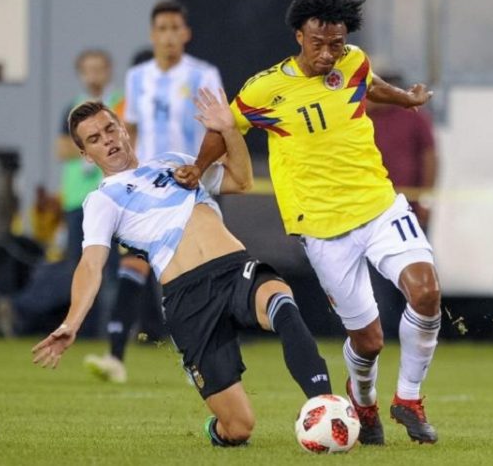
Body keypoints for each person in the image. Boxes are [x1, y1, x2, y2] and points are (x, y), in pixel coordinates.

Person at [178, 0, 440, 445]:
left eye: (336, 43)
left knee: (425, 291)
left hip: (378, 205)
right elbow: (225, 127)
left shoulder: (352, 61)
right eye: (318, 43)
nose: (328, 53)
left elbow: (370, 83)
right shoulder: (266, 89)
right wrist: (198, 168)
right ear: (299, 36)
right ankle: (363, 403)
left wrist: (406, 99)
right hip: (321, 229)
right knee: (370, 341)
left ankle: (409, 399)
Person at [32, 91, 334, 447]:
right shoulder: (103, 200)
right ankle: (216, 429)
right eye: (95, 139)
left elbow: (241, 181)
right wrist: (71, 322)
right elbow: (90, 264)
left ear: (124, 130)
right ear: (85, 154)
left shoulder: (172, 162)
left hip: (234, 269)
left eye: (110, 129)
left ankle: (325, 404)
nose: (107, 140)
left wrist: (229, 129)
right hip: (188, 300)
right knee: (239, 428)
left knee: (280, 300)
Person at [85, 0, 224, 382]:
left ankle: (205, 358)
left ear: (186, 33)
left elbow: (221, 129)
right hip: (148, 188)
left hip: (191, 186)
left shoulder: (203, 74)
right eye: (161, 29)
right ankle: (114, 356)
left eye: (174, 28)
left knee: (194, 276)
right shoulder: (137, 78)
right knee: (133, 266)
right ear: (152, 35)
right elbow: (128, 131)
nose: (168, 36)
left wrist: (200, 169)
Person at [368, 74, 438, 340]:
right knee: (376, 278)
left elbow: (430, 157)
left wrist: (425, 198)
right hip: (370, 210)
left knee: (416, 272)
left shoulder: (414, 118)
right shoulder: (360, 117)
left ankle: (420, 330)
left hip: (408, 209)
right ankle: (382, 330)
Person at [57, 49, 123, 263]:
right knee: (78, 266)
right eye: (88, 70)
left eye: (99, 69)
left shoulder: (122, 104)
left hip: (116, 197)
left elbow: (129, 140)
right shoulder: (72, 108)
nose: (94, 75)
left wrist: (85, 144)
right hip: (79, 198)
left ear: (109, 71)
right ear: (81, 74)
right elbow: (62, 150)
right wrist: (102, 144)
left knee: (113, 269)